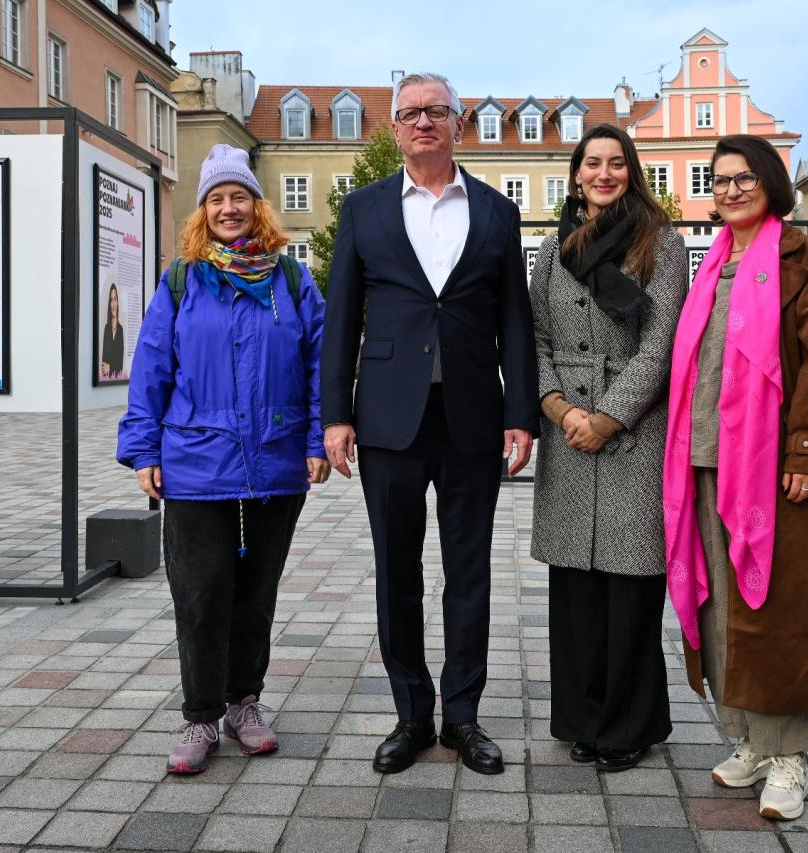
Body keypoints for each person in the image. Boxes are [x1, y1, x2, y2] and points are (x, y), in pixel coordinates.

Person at [321, 72, 538, 776]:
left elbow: (515, 320)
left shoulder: (497, 213)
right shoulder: (364, 208)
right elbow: (341, 320)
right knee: (397, 571)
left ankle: (464, 716)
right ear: (393, 127)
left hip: (473, 415)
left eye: (436, 112)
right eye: (410, 113)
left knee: (469, 571)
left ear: (459, 123)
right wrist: (334, 415)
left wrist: (521, 412)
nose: (423, 123)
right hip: (387, 418)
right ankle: (412, 714)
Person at [117, 144, 330, 775]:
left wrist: (318, 439)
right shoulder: (182, 280)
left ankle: (245, 703)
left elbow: (321, 366)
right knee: (201, 593)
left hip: (275, 459)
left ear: (256, 206)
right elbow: (152, 367)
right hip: (194, 461)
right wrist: (142, 449)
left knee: (255, 594)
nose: (229, 209)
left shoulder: (291, 281)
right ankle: (200, 714)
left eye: (239, 197)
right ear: (203, 211)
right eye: (217, 199)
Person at [662, 134, 808, 820]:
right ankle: (747, 736)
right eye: (719, 181)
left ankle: (789, 755)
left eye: (743, 178)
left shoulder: (801, 258)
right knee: (721, 608)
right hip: (706, 463)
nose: (730, 189)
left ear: (770, 182)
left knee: (784, 610)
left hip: (773, 469)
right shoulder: (710, 263)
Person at [530, 124, 688, 772]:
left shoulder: (663, 241)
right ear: (575, 174)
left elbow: (662, 344)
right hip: (566, 433)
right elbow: (533, 337)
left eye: (615, 163)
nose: (603, 173)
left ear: (631, 171)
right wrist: (563, 409)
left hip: (634, 433)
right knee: (575, 595)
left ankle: (629, 725)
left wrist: (609, 418)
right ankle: (580, 720)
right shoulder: (551, 247)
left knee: (628, 595)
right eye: (591, 163)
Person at [101, 282, 125, 379]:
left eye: (115, 299)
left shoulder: (121, 330)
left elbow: (120, 365)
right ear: (109, 304)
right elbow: (103, 365)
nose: (113, 304)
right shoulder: (106, 329)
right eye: (111, 300)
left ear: (118, 302)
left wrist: (110, 367)